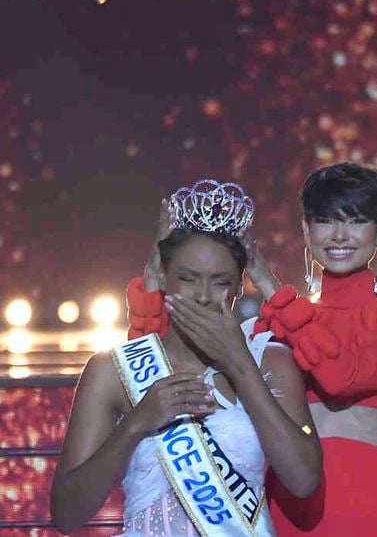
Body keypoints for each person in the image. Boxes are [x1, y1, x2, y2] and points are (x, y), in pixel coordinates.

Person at [126, 165, 377, 536]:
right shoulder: (270, 327)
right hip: (286, 520)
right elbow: (155, 371)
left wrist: (270, 286)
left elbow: (339, 375)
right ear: (307, 230)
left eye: (355, 221)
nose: (340, 235)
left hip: (376, 523)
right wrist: (153, 277)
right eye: (325, 221)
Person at [51, 180, 321, 537]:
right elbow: (67, 514)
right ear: (162, 276)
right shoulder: (113, 370)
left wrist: (240, 367)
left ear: (239, 286)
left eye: (220, 281)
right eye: (189, 279)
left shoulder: (269, 361)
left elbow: (304, 481)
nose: (204, 297)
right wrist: (136, 424)